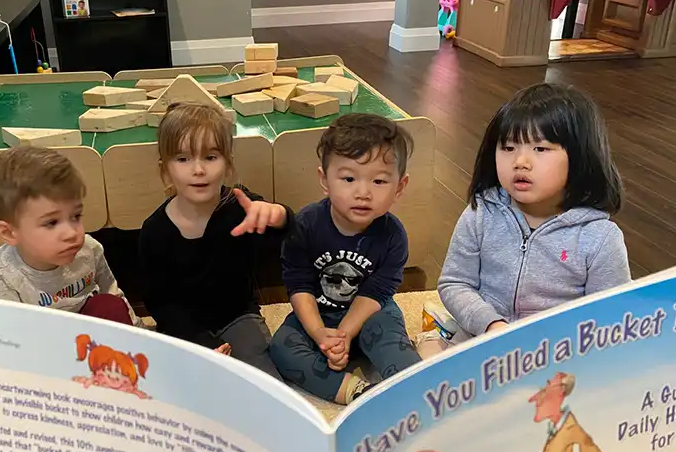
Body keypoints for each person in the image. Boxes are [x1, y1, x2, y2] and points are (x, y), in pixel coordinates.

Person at [438, 83, 630, 341]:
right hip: (482, 339)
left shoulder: (599, 238)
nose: (520, 162)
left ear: (580, 156)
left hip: (554, 351)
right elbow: (454, 283)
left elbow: (610, 315)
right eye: (508, 148)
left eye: (540, 148)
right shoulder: (481, 213)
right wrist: (491, 324)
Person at [269, 114, 422, 405]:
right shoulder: (305, 224)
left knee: (391, 340)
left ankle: (416, 392)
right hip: (318, 314)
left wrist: (344, 334)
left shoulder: (394, 235)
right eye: (349, 179)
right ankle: (356, 392)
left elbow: (377, 292)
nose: (363, 193)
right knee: (281, 347)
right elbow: (298, 284)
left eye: (379, 181)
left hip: (371, 315)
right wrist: (320, 334)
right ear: (324, 180)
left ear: (399, 187)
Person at [138, 103, 290, 378]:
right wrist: (200, 341)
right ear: (165, 169)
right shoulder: (154, 230)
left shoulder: (240, 205)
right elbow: (161, 303)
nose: (198, 169)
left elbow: (287, 238)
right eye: (183, 159)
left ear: (227, 163)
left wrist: (279, 216)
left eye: (210, 157)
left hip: (237, 316)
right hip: (183, 328)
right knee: (179, 386)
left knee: (262, 380)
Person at [0, 146, 139, 325]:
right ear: (9, 233)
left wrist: (141, 333)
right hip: (39, 337)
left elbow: (113, 294)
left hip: (87, 333)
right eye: (51, 223)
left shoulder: (90, 249)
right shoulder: (0, 282)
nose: (71, 233)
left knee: (109, 306)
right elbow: (8, 337)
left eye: (76, 216)